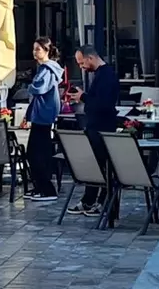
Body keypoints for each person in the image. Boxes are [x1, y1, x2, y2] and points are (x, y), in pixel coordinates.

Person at [73, 44, 121, 220]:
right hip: (95, 126)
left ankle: (102, 201)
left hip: (102, 128)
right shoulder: (101, 75)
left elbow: (103, 104)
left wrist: (83, 97)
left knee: (102, 167)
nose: (81, 67)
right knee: (94, 165)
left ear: (90, 57)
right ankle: (90, 199)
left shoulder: (106, 76)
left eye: (81, 63)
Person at [24, 39, 65, 200]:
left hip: (43, 116)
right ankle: (40, 186)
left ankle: (47, 189)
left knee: (36, 153)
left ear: (47, 50)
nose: (35, 52)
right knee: (35, 152)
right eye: (34, 49)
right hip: (42, 115)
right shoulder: (45, 68)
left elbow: (39, 88)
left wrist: (30, 87)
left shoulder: (47, 69)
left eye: (38, 49)